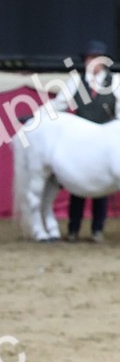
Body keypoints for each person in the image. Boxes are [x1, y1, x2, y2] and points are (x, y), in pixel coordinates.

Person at [53, 40, 120, 243]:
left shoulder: (115, 82)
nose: (91, 62)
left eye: (94, 58)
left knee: (100, 188)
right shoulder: (76, 82)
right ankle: (73, 229)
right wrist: (37, 117)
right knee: (77, 184)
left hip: (104, 142)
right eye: (88, 58)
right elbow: (58, 105)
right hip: (81, 141)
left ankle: (97, 229)